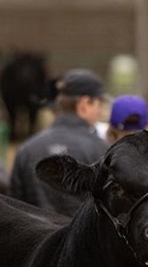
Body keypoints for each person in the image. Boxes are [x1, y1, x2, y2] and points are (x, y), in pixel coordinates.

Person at [10, 69, 107, 216]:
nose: (99, 111)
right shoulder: (100, 149)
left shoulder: (27, 149)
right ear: (84, 104)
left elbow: (14, 207)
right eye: (98, 105)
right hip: (80, 239)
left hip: (37, 237)